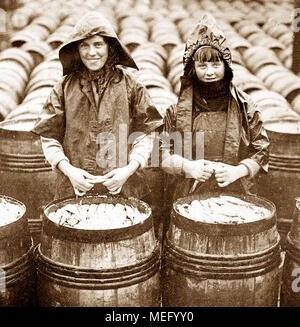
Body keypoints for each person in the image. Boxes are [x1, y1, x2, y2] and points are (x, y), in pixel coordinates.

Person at [31, 11, 163, 202]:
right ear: (76, 49)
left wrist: (128, 170)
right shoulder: (64, 87)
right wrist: (69, 171)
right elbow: (49, 137)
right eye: (85, 45)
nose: (92, 53)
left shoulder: (131, 84)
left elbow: (146, 133)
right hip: (74, 187)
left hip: (123, 186)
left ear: (110, 47)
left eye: (98, 45)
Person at [160, 14, 270, 227]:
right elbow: (161, 154)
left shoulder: (245, 107)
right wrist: (186, 166)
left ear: (226, 66)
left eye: (215, 64)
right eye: (202, 66)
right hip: (187, 195)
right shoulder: (176, 110)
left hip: (236, 192)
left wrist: (237, 171)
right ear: (192, 69)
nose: (209, 72)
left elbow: (262, 150)